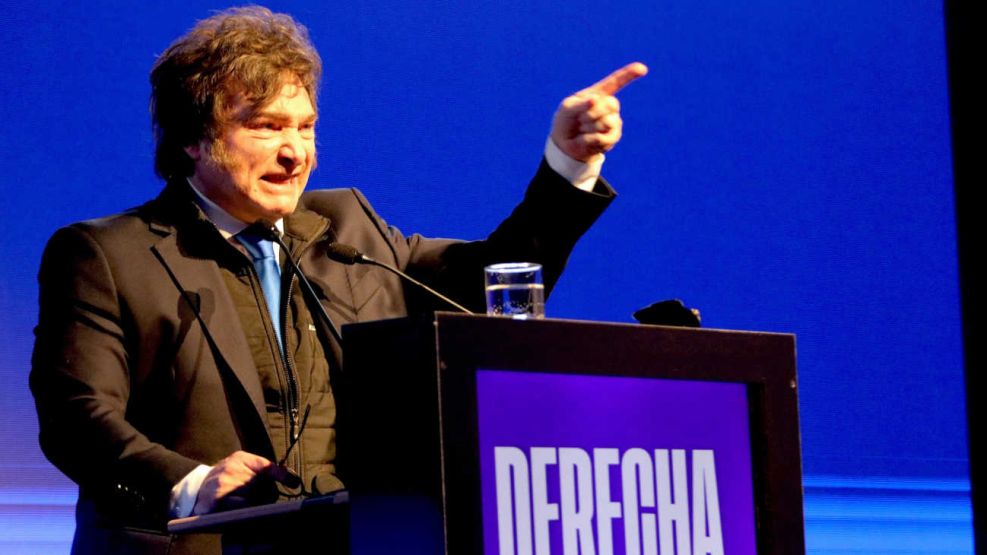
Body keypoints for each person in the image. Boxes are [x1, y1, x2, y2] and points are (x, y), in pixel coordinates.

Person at [30, 6, 646, 554]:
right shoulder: (108, 255)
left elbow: (481, 282)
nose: (295, 152)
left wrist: (569, 166)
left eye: (305, 127)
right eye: (267, 126)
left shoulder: (347, 229)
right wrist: (189, 483)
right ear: (194, 138)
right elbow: (76, 416)